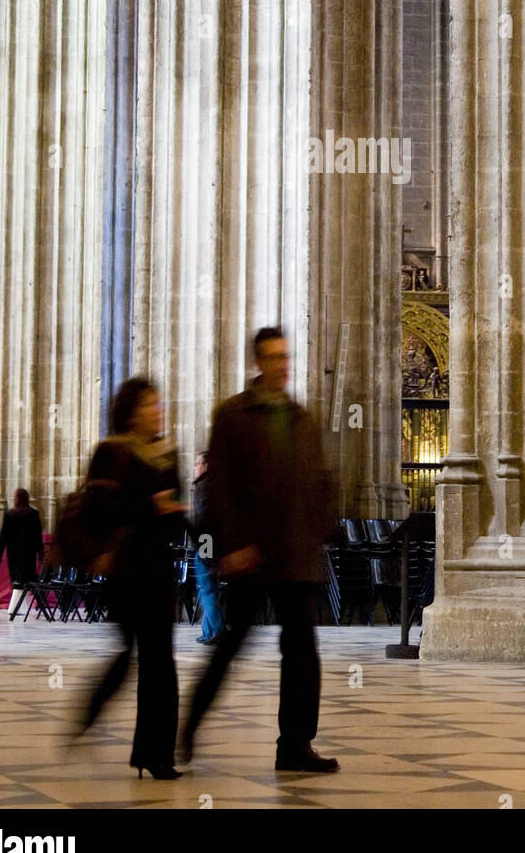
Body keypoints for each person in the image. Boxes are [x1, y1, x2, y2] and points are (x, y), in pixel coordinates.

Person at [181, 327, 339, 773]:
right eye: (272, 357)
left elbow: (318, 481)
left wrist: (319, 529)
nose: (281, 365)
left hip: (295, 555)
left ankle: (295, 744)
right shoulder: (232, 415)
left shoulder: (302, 417)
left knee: (303, 653)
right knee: (231, 645)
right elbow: (219, 487)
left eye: (286, 356)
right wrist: (231, 545)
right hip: (250, 555)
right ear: (257, 362)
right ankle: (188, 725)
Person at [78, 377, 184, 780]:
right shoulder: (112, 452)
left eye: (159, 402)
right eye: (149, 404)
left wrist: (176, 513)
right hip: (126, 570)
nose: (158, 410)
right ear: (130, 410)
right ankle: (90, 713)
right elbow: (99, 510)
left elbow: (173, 512)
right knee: (128, 656)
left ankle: (158, 755)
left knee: (161, 662)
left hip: (159, 568)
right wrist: (149, 505)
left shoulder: (168, 452)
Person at [191, 452, 223, 645]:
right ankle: (208, 631)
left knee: (207, 588)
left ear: (207, 466)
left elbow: (204, 519)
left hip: (205, 542)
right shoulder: (213, 487)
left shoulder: (203, 487)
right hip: (210, 542)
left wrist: (203, 548)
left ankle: (217, 630)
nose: (195, 467)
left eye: (198, 463)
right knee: (207, 588)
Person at [0, 489, 44, 615]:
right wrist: (40, 552)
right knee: (28, 578)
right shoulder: (33, 514)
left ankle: (16, 606)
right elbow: (37, 536)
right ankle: (25, 605)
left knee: (17, 579)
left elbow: (3, 535)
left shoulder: (10, 514)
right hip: (29, 553)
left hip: (14, 553)